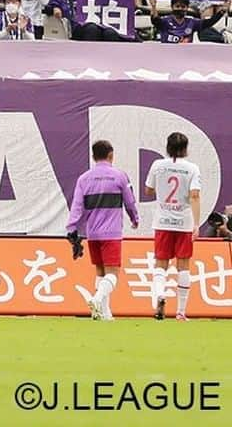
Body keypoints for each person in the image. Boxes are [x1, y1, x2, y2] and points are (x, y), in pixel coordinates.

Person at [66, 139, 139, 322]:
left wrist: (72, 228)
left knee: (100, 271)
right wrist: (134, 218)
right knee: (113, 273)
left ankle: (104, 313)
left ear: (93, 156)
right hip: (112, 233)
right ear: (111, 155)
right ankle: (97, 299)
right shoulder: (120, 176)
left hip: (93, 233)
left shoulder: (84, 179)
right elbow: (129, 201)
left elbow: (76, 206)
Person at [144, 132, 202, 322]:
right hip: (183, 222)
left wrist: (161, 190)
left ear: (167, 147)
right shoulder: (192, 168)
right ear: (185, 148)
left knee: (161, 263)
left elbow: (148, 190)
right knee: (183, 265)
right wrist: (195, 223)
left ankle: (160, 294)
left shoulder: (158, 166)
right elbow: (194, 195)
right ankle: (181, 311)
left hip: (162, 221)